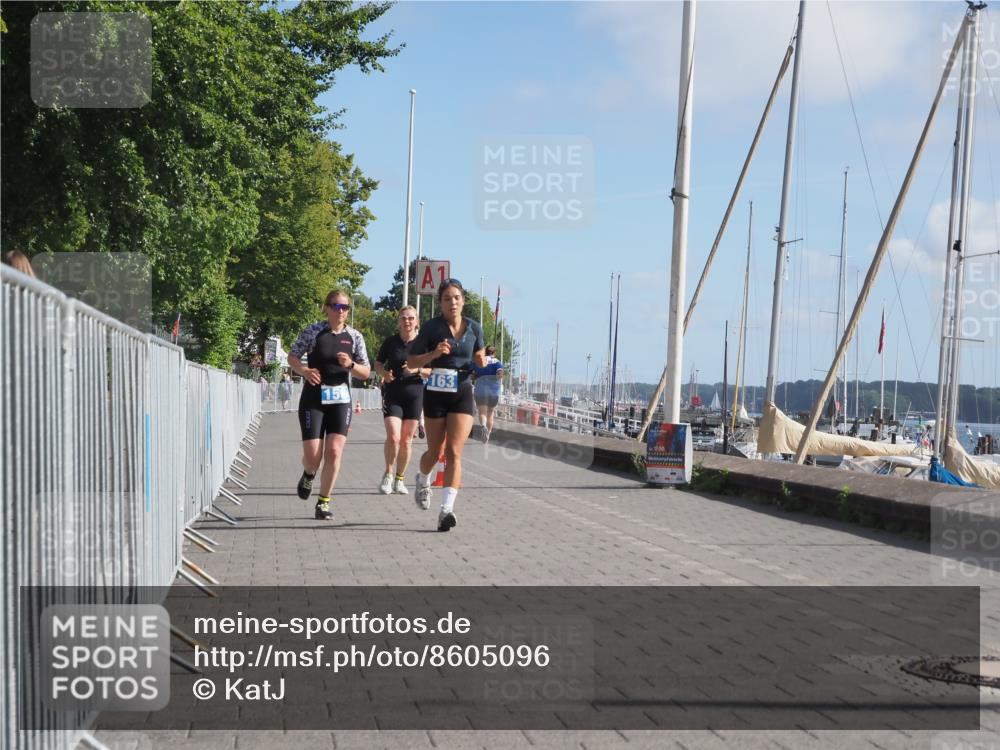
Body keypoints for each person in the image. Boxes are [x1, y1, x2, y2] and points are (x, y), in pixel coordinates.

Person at [407, 279, 486, 531]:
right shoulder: (431, 328)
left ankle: (446, 510)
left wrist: (482, 362)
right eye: (447, 299)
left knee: (454, 452)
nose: (452, 302)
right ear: (440, 303)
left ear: (463, 301)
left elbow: (479, 357)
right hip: (436, 393)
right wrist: (433, 354)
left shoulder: (474, 327)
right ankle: (422, 478)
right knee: (435, 451)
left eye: (456, 298)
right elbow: (410, 362)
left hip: (462, 391)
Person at [288, 290, 371, 520]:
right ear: (327, 307)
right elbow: (292, 357)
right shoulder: (314, 331)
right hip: (313, 399)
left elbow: (366, 372)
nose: (341, 311)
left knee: (334, 451)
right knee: (314, 456)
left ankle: (323, 502)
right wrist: (304, 370)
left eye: (345, 307)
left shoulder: (354, 337)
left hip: (340, 400)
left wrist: (351, 364)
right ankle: (308, 473)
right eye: (336, 306)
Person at [374, 306, 431, 495]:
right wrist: (384, 373)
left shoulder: (423, 344)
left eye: (411, 318)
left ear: (417, 321)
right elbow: (378, 363)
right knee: (393, 437)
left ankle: (400, 479)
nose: (407, 321)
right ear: (398, 321)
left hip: (414, 395)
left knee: (406, 441)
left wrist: (417, 370)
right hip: (393, 393)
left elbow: (432, 369)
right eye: (403, 318)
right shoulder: (391, 342)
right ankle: (388, 474)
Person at [473, 345, 504, 443]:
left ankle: (483, 426)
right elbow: (500, 374)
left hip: (481, 389)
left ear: (485, 352)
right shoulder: (497, 362)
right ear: (494, 353)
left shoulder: (479, 362)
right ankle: (488, 434)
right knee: (490, 414)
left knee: (482, 412)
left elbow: (473, 374)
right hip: (493, 391)